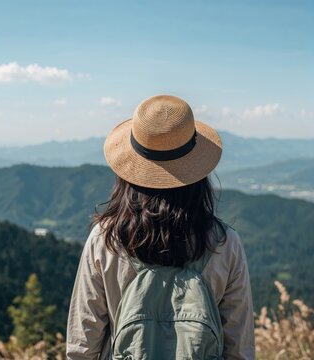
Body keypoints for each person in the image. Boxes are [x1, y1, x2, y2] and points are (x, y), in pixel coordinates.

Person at [66, 95, 255, 359]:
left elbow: (82, 347)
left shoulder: (105, 239)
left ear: (129, 170)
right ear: (197, 170)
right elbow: (239, 349)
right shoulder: (224, 243)